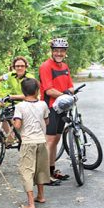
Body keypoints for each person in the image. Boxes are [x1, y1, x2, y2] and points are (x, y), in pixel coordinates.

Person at [39, 38, 74, 185]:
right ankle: (44, 175)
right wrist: (65, 95)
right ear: (52, 51)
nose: (59, 53)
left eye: (62, 51)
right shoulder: (46, 66)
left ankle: (52, 170)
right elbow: (49, 90)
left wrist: (68, 94)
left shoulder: (65, 66)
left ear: (65, 52)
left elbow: (71, 86)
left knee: (57, 139)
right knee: (50, 140)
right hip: (50, 107)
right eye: (56, 50)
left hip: (62, 108)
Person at [13, 78, 50, 208]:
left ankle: (30, 203)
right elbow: (46, 122)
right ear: (37, 90)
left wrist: (12, 122)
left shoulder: (19, 106)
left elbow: (17, 125)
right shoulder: (43, 105)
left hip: (28, 142)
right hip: (41, 140)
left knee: (27, 170)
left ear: (23, 91)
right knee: (40, 169)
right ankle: (41, 196)